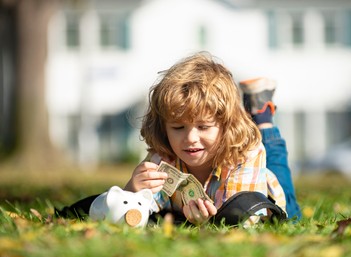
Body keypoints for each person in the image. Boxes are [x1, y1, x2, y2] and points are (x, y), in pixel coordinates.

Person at [124, 52, 301, 225]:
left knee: (288, 204)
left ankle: (262, 116)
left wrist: (205, 223)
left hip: (267, 196)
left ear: (227, 124)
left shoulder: (247, 154)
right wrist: (132, 190)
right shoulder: (162, 158)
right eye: (178, 127)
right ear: (163, 127)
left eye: (204, 127)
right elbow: (136, 213)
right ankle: (254, 109)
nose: (191, 138)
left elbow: (243, 220)